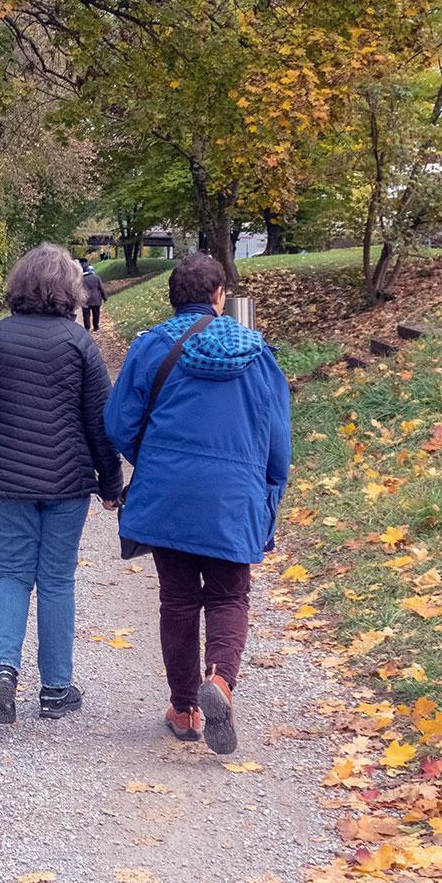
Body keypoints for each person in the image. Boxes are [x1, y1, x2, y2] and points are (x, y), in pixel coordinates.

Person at [103, 253, 290, 755]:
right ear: (219, 296)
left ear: (172, 299)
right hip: (235, 497)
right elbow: (277, 444)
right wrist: (267, 493)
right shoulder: (259, 355)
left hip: (169, 495)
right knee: (230, 595)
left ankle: (185, 709)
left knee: (179, 599)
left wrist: (156, 461)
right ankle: (222, 682)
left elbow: (119, 424)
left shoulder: (149, 349)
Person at [0, 244, 123, 725]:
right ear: (70, 289)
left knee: (10, 574)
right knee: (55, 579)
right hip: (67, 480)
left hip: (6, 479)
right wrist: (111, 481)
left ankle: (4, 674)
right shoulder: (79, 343)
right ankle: (55, 690)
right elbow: (100, 422)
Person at [79, 259, 106, 332]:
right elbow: (101, 288)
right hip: (96, 299)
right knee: (96, 314)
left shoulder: (82, 278)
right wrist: (105, 298)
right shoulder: (96, 277)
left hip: (86, 299)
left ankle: (87, 328)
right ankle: (96, 327)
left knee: (86, 315)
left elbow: (79, 289)